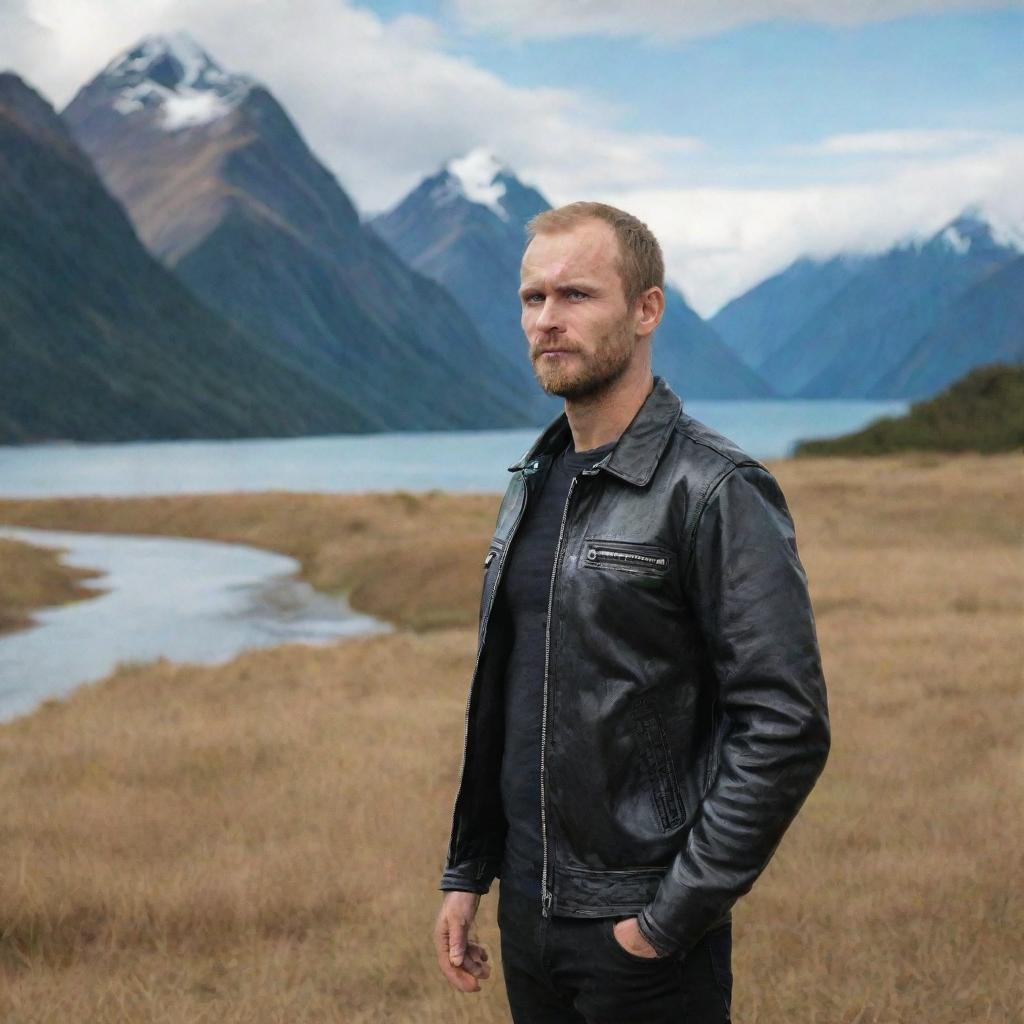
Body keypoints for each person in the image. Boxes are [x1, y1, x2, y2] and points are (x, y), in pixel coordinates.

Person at [432, 202, 831, 1023]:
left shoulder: (715, 487)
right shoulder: (533, 481)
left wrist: (664, 921)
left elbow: (786, 723)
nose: (547, 320)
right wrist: (469, 872)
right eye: (532, 298)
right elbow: (508, 696)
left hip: (642, 932)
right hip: (527, 917)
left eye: (576, 295)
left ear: (647, 309)